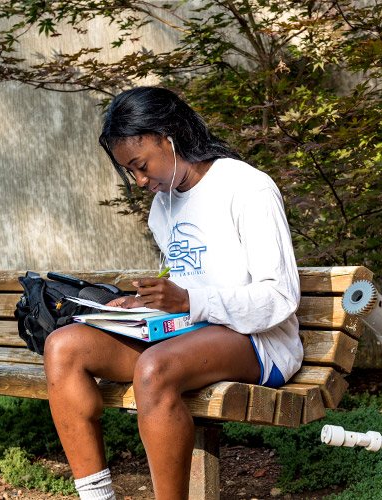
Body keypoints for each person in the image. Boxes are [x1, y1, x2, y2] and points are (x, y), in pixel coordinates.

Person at [42, 86, 302, 500]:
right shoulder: (162, 207)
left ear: (170, 137)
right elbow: (188, 279)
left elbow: (279, 298)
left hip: (258, 340)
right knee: (63, 347)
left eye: (142, 165)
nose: (142, 181)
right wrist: (144, 302)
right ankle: (96, 497)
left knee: (153, 369)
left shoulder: (246, 188)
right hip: (188, 331)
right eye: (131, 172)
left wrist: (188, 301)